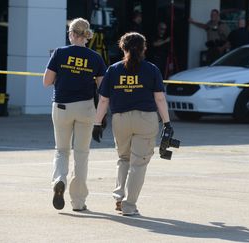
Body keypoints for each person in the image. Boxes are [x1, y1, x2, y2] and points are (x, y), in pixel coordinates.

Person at [92, 32, 172, 216]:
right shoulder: (151, 69)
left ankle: (119, 197)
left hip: (121, 120)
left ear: (122, 48)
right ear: (144, 48)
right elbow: (159, 98)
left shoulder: (113, 69)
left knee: (123, 159)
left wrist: (97, 123)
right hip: (146, 119)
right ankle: (129, 206)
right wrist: (167, 122)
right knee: (139, 164)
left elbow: (103, 100)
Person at [43, 18, 107, 211]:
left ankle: (59, 180)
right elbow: (102, 89)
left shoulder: (60, 53)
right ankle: (78, 202)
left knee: (61, 150)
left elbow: (46, 81)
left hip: (62, 106)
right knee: (81, 153)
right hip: (86, 107)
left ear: (71, 34)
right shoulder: (95, 57)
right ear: (86, 36)